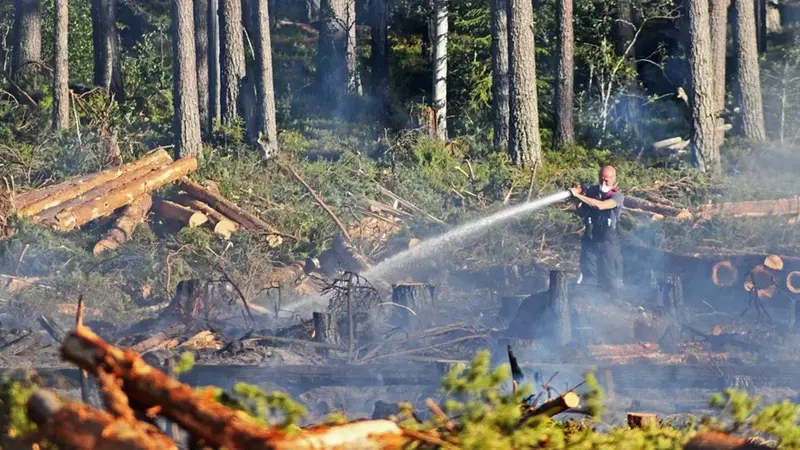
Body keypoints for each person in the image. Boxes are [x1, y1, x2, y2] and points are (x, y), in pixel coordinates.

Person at [568, 166, 625, 290]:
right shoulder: (592, 192)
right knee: (589, 275)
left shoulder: (617, 196)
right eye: (601, 179)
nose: (603, 183)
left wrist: (579, 196)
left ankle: (612, 303)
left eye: (607, 180)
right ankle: (588, 301)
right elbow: (582, 213)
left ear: (614, 179)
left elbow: (600, 206)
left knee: (610, 278)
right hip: (590, 239)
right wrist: (578, 201)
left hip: (608, 242)